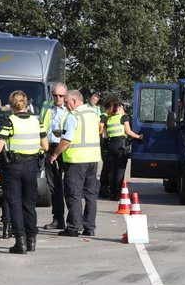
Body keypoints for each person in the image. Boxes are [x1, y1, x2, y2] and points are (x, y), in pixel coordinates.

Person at [0, 90, 46, 254]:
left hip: (13, 167)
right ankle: (32, 241)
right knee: (29, 204)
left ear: (11, 104)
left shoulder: (9, 121)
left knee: (14, 203)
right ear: (27, 103)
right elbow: (45, 146)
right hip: (31, 166)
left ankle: (20, 243)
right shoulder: (37, 121)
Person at [49, 90, 102, 237]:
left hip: (76, 161)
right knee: (90, 194)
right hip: (92, 159)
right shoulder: (93, 114)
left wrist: (54, 154)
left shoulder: (73, 116)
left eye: (66, 102)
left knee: (73, 194)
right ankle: (89, 227)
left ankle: (73, 227)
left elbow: (66, 140)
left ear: (74, 100)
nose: (65, 106)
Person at [98, 94, 141, 202]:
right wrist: (140, 136)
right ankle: (118, 194)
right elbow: (128, 132)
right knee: (120, 171)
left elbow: (105, 134)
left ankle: (112, 194)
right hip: (121, 145)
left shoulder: (110, 118)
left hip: (111, 145)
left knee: (112, 171)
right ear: (119, 108)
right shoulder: (124, 117)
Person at [39, 83, 70, 231]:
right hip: (49, 147)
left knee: (69, 187)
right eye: (55, 95)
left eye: (61, 96)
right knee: (54, 186)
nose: (58, 98)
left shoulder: (70, 109)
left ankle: (74, 221)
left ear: (66, 95)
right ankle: (58, 219)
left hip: (65, 148)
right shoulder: (46, 106)